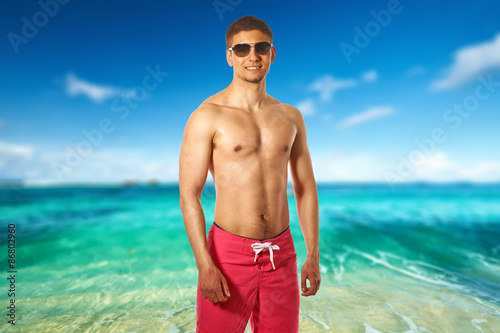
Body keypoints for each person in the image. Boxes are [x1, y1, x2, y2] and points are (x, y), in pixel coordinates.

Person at [179, 15, 320, 333]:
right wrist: (205, 263)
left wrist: (312, 253)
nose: (252, 56)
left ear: (272, 53)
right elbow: (189, 195)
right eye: (241, 48)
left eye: (261, 47)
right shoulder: (207, 116)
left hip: (281, 255)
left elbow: (305, 188)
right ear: (229, 55)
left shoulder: (290, 116)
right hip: (228, 256)